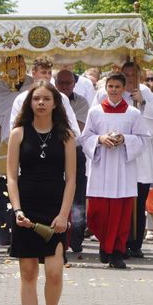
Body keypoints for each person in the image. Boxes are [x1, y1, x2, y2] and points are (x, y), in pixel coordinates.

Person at [7, 81, 77, 305]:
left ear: (55, 103)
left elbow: (71, 178)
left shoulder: (66, 136)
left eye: (46, 99)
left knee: (55, 272)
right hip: (25, 207)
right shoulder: (18, 133)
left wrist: (63, 214)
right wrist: (16, 210)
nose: (41, 103)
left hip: (54, 208)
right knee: (28, 273)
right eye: (36, 99)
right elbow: (11, 176)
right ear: (29, 103)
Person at [80, 72, 153, 269]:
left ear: (124, 89)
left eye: (117, 87)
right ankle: (105, 244)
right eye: (110, 86)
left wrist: (125, 140)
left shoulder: (133, 113)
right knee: (99, 211)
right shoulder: (95, 112)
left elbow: (143, 138)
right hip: (102, 167)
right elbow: (85, 137)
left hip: (123, 168)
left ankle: (116, 252)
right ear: (106, 88)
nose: (113, 90)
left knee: (121, 213)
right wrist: (100, 139)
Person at [54, 69, 90, 260]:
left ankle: (75, 237)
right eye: (61, 83)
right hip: (53, 151)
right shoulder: (50, 98)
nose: (64, 86)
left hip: (75, 151)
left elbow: (79, 128)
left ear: (74, 84)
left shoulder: (81, 102)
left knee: (77, 195)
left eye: (68, 83)